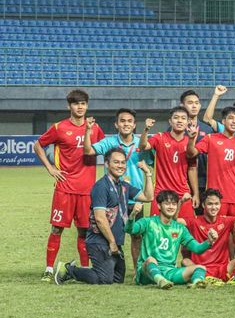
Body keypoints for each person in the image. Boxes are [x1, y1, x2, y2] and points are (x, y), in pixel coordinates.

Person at [54, 150, 154, 285]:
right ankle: (69, 270)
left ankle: (95, 269)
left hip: (116, 241)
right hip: (99, 241)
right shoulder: (101, 186)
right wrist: (112, 242)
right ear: (107, 164)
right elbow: (100, 218)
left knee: (117, 280)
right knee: (104, 279)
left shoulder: (124, 185)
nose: (120, 166)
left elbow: (148, 197)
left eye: (123, 163)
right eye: (116, 162)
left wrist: (147, 174)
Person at [35, 89, 104, 280]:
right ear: (69, 106)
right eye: (76, 103)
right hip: (64, 188)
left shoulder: (95, 128)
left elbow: (105, 148)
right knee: (57, 228)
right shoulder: (59, 128)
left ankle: (83, 269)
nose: (80, 107)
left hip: (86, 189)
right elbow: (38, 145)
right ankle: (49, 269)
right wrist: (50, 168)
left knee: (84, 230)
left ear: (87, 105)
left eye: (83, 103)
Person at [84, 108, 149, 272]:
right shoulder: (109, 142)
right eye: (122, 121)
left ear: (134, 125)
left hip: (135, 197)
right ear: (116, 124)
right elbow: (88, 151)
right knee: (110, 233)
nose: (126, 124)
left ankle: (137, 271)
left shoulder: (143, 143)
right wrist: (87, 131)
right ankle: (106, 266)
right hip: (113, 198)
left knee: (136, 236)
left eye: (129, 121)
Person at [125, 190, 218, 289]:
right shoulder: (148, 222)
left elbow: (197, 249)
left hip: (169, 272)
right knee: (150, 260)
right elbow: (130, 230)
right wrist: (132, 216)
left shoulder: (180, 228)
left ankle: (198, 282)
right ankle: (160, 280)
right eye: (167, 204)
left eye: (174, 204)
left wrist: (209, 241)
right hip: (147, 273)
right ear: (159, 206)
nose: (171, 207)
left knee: (200, 268)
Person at [180, 189, 235, 285]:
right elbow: (173, 221)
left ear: (220, 205)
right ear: (203, 205)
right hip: (201, 268)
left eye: (216, 204)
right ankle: (207, 278)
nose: (214, 207)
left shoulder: (227, 221)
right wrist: (181, 202)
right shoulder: (194, 221)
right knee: (185, 261)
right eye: (210, 204)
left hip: (222, 268)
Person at [138, 107, 198, 221]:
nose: (179, 121)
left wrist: (196, 194)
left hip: (183, 194)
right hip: (161, 193)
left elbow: (192, 169)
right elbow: (142, 146)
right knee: (157, 231)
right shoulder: (160, 137)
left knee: (185, 231)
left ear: (188, 122)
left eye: (183, 118)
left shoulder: (189, 143)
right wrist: (146, 129)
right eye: (176, 118)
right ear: (170, 121)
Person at [177, 89, 216, 209]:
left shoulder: (208, 129)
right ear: (182, 106)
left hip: (205, 180)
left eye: (196, 103)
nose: (194, 106)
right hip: (182, 181)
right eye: (190, 103)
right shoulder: (175, 129)